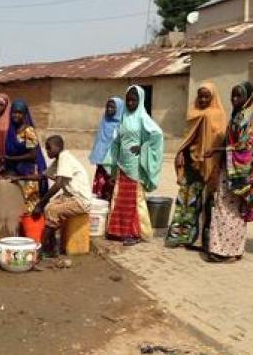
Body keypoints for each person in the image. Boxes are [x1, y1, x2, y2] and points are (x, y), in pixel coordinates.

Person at [165, 82, 227, 249]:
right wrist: (180, 154)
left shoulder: (217, 115)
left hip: (208, 164)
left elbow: (219, 140)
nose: (203, 99)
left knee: (204, 203)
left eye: (207, 96)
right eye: (201, 96)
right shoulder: (193, 113)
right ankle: (178, 236)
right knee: (184, 200)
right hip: (191, 163)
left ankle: (200, 240)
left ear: (213, 97)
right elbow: (187, 139)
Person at [205, 82, 253, 263]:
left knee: (232, 209)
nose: (234, 99)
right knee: (224, 207)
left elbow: (243, 147)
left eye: (239, 96)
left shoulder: (247, 118)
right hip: (228, 168)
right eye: (233, 96)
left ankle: (229, 251)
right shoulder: (237, 115)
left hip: (239, 171)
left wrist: (216, 151)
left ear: (248, 98)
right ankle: (225, 248)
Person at [106, 85, 164, 245]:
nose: (130, 103)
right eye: (128, 100)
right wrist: (113, 166)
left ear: (140, 101)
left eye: (134, 100)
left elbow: (157, 135)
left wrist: (143, 146)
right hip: (122, 164)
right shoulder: (123, 118)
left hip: (134, 165)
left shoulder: (142, 118)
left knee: (133, 199)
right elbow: (117, 141)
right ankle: (118, 230)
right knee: (120, 197)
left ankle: (134, 233)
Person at [16, 135, 92, 256]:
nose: (47, 152)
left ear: (58, 147)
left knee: (52, 210)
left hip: (81, 201)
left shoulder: (65, 158)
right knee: (48, 208)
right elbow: (42, 176)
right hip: (70, 197)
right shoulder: (59, 160)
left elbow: (58, 185)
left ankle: (40, 249)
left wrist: (40, 203)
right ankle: (52, 246)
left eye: (49, 148)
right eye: (46, 149)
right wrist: (20, 177)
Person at [3, 99, 48, 213]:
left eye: (19, 112)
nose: (16, 115)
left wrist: (11, 159)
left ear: (25, 114)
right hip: (15, 170)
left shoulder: (29, 131)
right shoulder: (11, 131)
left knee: (30, 207)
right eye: (14, 112)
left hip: (29, 172)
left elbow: (32, 155)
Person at [89, 97, 125, 201]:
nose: (109, 109)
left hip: (115, 164)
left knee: (114, 192)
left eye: (112, 107)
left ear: (119, 108)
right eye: (108, 107)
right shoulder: (104, 122)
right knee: (101, 194)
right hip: (102, 164)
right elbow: (99, 142)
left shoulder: (123, 125)